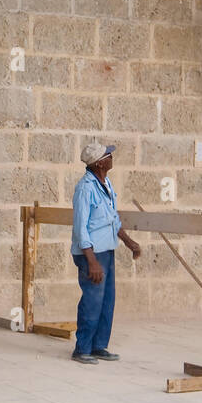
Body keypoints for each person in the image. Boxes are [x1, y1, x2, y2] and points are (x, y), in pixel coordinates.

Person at [70, 142, 140, 364]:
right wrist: (91, 261)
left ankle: (99, 346)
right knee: (92, 300)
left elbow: (112, 219)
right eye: (108, 155)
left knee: (107, 301)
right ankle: (82, 349)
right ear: (99, 163)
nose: (112, 157)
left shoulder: (106, 183)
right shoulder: (85, 188)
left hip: (107, 251)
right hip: (91, 254)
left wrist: (129, 243)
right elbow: (81, 228)